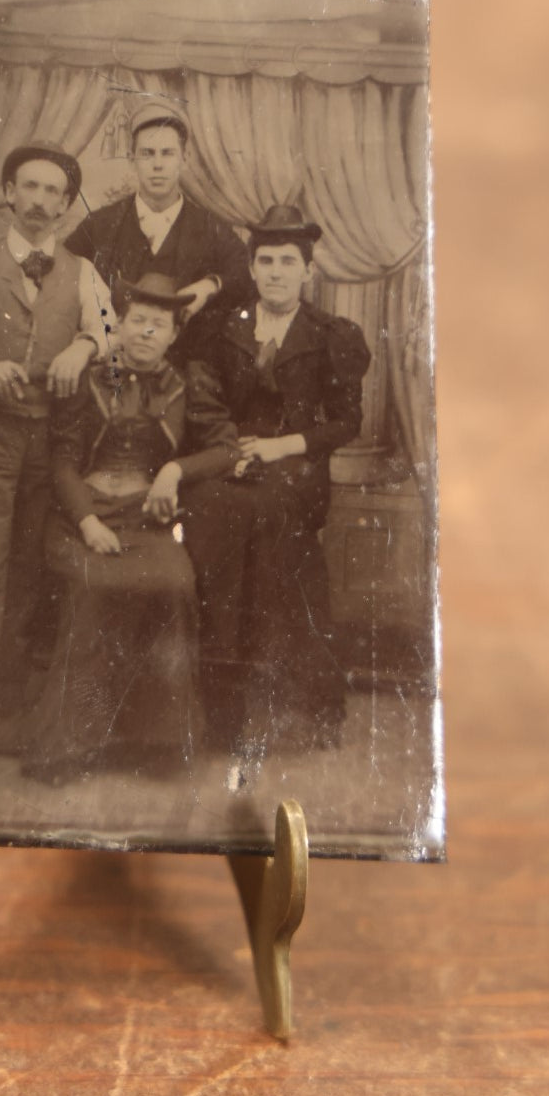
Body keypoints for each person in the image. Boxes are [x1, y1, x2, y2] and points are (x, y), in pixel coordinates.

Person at [0, 141, 115, 769]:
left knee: (30, 581)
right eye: (28, 188)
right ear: (9, 194)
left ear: (65, 205)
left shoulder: (83, 273)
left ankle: (4, 719)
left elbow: (111, 333)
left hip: (45, 446)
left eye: (52, 192)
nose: (39, 202)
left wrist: (84, 346)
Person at [31, 273, 239, 782]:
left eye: (159, 325)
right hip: (82, 517)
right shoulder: (90, 380)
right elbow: (61, 463)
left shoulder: (187, 386)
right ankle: (69, 746)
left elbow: (226, 448)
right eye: (138, 321)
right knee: (96, 585)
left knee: (174, 584)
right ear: (118, 326)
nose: (147, 332)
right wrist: (87, 522)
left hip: (146, 521)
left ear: (173, 335)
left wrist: (175, 471)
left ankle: (157, 743)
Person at [183, 204, 372, 764]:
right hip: (231, 463)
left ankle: (306, 707)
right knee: (210, 521)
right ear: (252, 266)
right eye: (265, 260)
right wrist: (232, 452)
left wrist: (279, 448)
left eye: (288, 261)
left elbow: (345, 423)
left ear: (307, 271)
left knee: (272, 545)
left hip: (295, 473)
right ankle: (222, 713)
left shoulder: (331, 335)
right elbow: (206, 404)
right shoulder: (225, 327)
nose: (275, 272)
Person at [63, 100, 250, 360]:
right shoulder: (101, 224)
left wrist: (210, 285)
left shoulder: (211, 228)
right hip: (112, 371)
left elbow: (246, 271)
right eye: (147, 153)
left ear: (184, 160)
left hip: (187, 374)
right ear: (132, 160)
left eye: (167, 153)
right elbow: (62, 271)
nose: (157, 164)